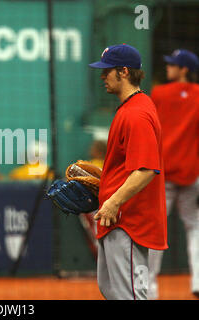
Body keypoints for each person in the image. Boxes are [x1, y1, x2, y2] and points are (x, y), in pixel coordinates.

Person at [89, 44, 168, 300]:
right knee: (111, 290)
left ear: (123, 72)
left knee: (129, 296)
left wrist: (112, 202)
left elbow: (146, 170)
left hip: (129, 222)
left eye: (107, 71)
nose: (102, 76)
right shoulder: (129, 108)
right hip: (118, 219)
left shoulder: (137, 113)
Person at [148, 49, 199, 299]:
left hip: (163, 172)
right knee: (196, 227)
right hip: (192, 172)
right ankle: (198, 281)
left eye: (173, 64)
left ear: (185, 70)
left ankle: (150, 287)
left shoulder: (159, 93)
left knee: (157, 230)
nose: (168, 67)